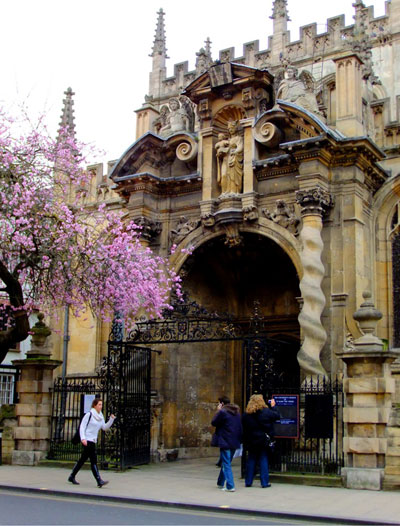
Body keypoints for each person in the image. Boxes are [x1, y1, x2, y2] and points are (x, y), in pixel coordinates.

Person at [68, 398, 115, 488]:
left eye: (101, 404)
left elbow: (104, 427)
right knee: (93, 460)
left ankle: (72, 476)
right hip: (87, 440)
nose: (101, 406)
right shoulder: (89, 414)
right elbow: (82, 427)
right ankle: (99, 480)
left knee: (82, 460)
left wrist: (111, 420)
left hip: (93, 440)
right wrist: (83, 439)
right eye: (99, 405)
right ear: (94, 405)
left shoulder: (100, 417)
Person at [242, 394, 280, 488]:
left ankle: (248, 481)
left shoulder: (246, 415)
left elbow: (244, 427)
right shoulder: (266, 412)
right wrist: (274, 406)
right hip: (263, 439)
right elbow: (277, 416)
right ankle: (264, 482)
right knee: (263, 458)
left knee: (251, 459)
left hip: (251, 440)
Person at [211, 395, 242, 492]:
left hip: (225, 440)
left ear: (222, 403)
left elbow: (214, 422)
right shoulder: (236, 413)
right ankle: (220, 482)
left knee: (226, 463)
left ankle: (230, 485)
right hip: (234, 440)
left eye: (219, 403)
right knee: (226, 462)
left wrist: (218, 411)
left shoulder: (223, 412)